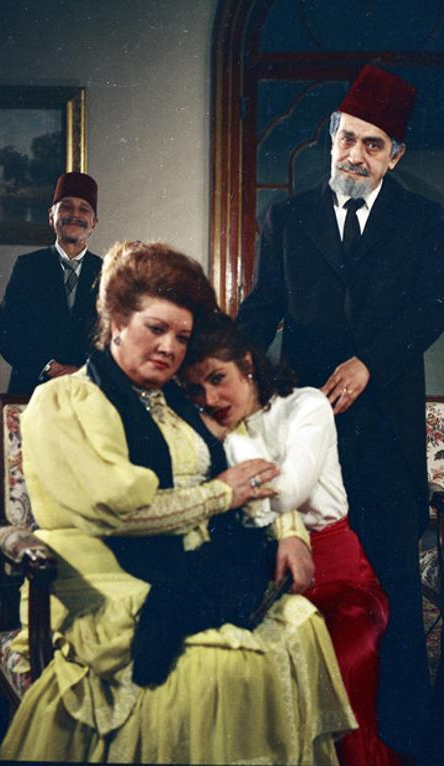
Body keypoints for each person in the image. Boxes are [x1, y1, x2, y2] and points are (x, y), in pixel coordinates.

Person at [0, 241, 355, 764]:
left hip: (189, 565)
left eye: (182, 336)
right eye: (156, 328)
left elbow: (253, 468)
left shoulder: (183, 399)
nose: (169, 347)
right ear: (117, 320)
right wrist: (219, 493)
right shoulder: (64, 400)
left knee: (298, 621)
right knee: (211, 663)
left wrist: (291, 534)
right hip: (98, 572)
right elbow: (114, 511)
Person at [236, 64, 444, 758]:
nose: (355, 155)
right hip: (308, 434)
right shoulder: (288, 217)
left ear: (396, 156)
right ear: (331, 136)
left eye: (373, 145)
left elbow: (431, 310)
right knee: (310, 586)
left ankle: (404, 741)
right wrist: (220, 369)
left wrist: (370, 363)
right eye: (347, 138)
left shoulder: (421, 219)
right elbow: (262, 309)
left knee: (391, 586)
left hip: (386, 433)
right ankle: (308, 739)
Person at [181, 312, 400, 766]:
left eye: (218, 379)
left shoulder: (307, 405)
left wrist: (230, 444)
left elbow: (289, 492)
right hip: (264, 582)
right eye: (197, 390)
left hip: (340, 581)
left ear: (247, 364)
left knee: (338, 673)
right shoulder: (211, 424)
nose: (212, 399)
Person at [0, 172, 102, 395]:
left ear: (94, 223)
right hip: (32, 388)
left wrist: (82, 371)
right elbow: (7, 331)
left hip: (89, 390)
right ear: (51, 216)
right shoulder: (27, 267)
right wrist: (50, 368)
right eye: (66, 207)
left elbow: (117, 339)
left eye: (84, 209)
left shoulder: (108, 272)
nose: (75, 214)